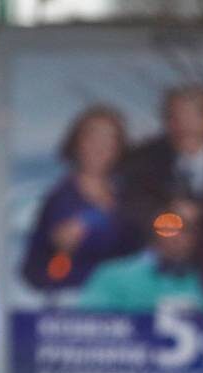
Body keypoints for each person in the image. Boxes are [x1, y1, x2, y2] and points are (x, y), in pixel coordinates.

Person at [119, 84, 203, 250]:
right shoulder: (143, 160)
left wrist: (202, 215)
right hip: (160, 257)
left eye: (191, 118)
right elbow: (133, 209)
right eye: (175, 118)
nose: (184, 127)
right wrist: (166, 219)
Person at [21, 105, 132, 293]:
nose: (100, 146)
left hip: (126, 304)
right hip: (72, 308)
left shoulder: (130, 198)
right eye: (93, 137)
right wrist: (62, 251)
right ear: (76, 143)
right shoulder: (60, 199)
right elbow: (39, 268)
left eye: (109, 138)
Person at [76, 200, 203, 313]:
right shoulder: (112, 275)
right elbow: (87, 329)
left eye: (191, 229)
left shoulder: (202, 281)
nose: (181, 237)